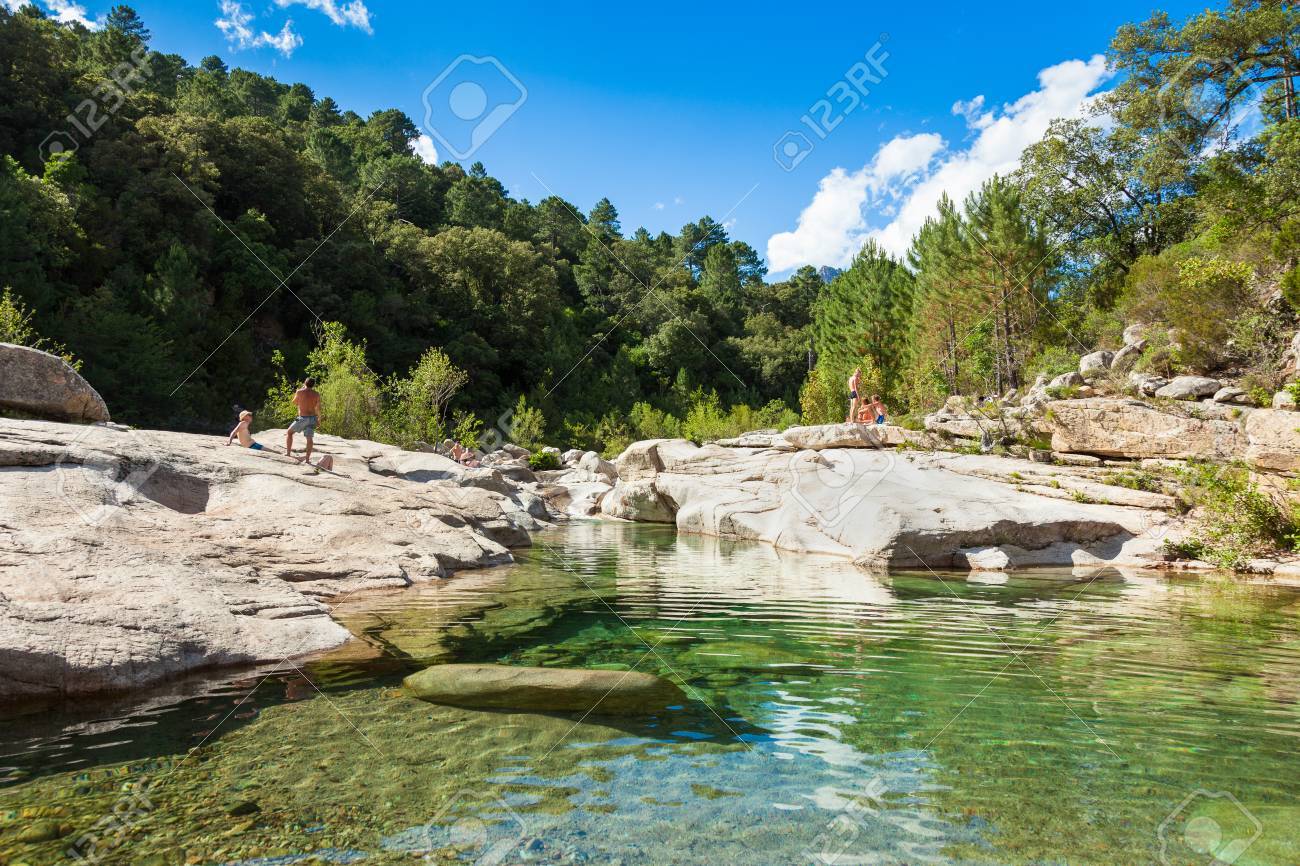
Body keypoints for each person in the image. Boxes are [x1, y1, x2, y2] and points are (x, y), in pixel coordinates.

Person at [286, 377, 321, 464]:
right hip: (313, 418)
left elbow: (294, 402)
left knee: (289, 432)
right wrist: (318, 419)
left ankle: (288, 453)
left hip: (302, 418)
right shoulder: (317, 394)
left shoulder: (300, 392)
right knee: (309, 439)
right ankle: (307, 460)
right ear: (313, 385)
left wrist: (301, 391)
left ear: (305, 383)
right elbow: (318, 408)